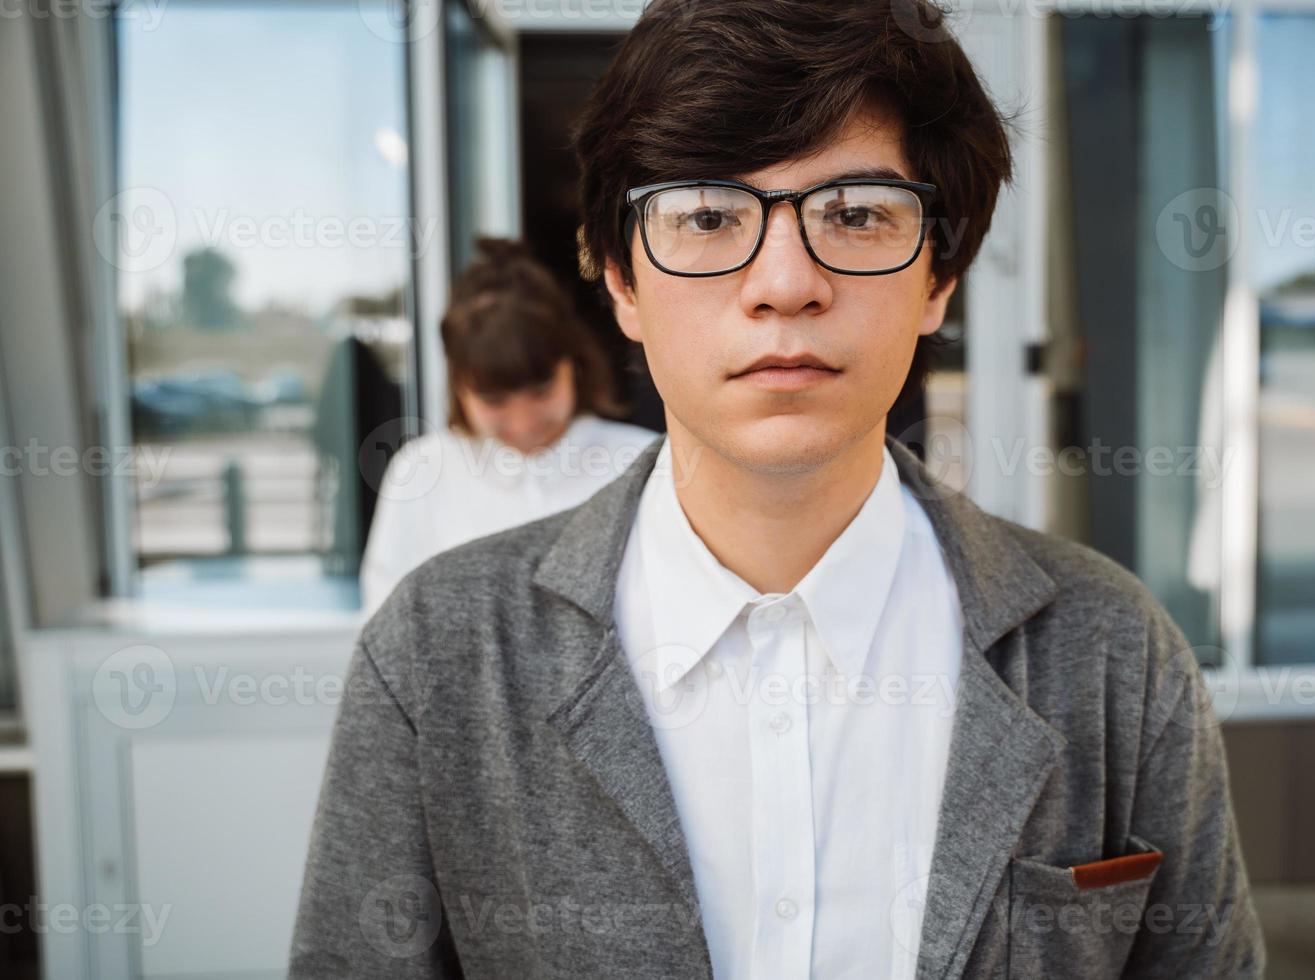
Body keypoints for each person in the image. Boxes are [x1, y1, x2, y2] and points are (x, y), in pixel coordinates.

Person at [291, 2, 1266, 977]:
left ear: (939, 276)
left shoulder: (1115, 653)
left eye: (856, 212)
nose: (786, 282)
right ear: (623, 280)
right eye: (710, 216)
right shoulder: (434, 656)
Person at [358, 235, 656, 616]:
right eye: (495, 401)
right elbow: (386, 619)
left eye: (542, 390)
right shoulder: (422, 471)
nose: (524, 421)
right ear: (458, 387)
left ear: (575, 364)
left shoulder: (642, 462)